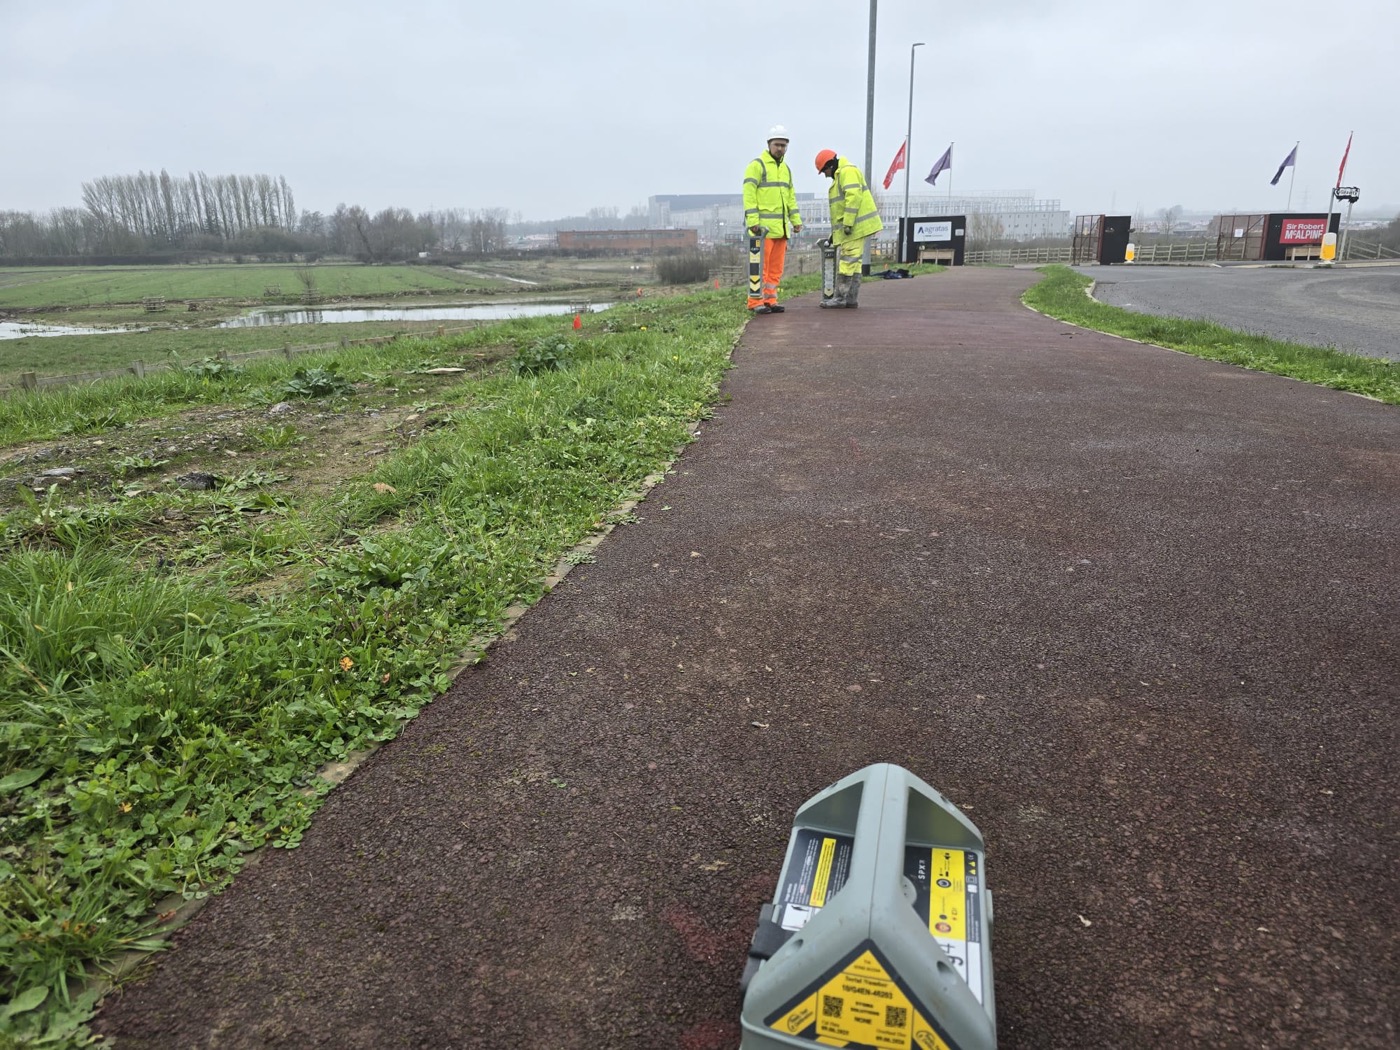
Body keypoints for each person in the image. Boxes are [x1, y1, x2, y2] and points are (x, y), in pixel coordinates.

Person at [742, 125, 803, 314]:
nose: (780, 148)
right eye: (777, 144)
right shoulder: (757, 165)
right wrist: (753, 221)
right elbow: (749, 194)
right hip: (762, 230)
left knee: (775, 269)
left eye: (784, 145)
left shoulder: (786, 169)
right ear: (769, 144)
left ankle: (770, 299)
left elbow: (790, 198)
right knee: (760, 268)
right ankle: (755, 301)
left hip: (782, 229)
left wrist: (796, 220)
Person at [814, 149, 884, 309]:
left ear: (830, 164)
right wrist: (836, 233)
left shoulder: (847, 172)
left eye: (824, 171)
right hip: (854, 227)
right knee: (855, 263)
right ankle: (851, 299)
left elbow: (853, 197)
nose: (825, 175)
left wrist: (848, 223)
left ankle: (840, 298)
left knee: (847, 261)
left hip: (854, 228)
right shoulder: (844, 173)